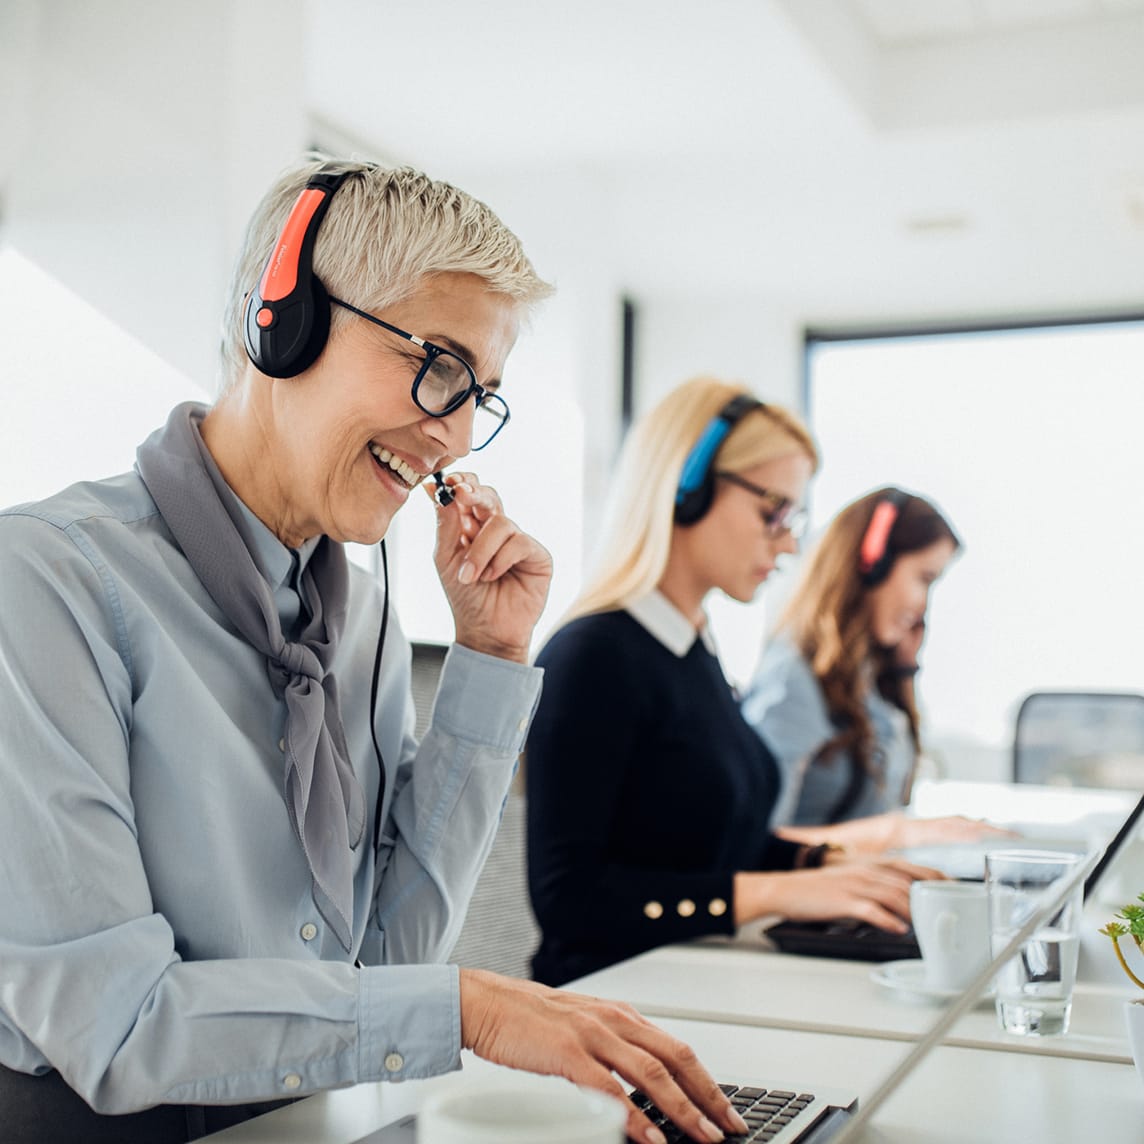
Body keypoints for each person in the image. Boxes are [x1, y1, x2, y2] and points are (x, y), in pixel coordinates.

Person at [0, 158, 748, 1144]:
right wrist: (469, 1008)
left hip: (318, 1118)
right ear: (284, 315)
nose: (459, 432)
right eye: (439, 363)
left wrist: (489, 652)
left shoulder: (361, 611)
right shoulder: (47, 584)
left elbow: (388, 955)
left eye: (481, 393)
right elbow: (114, 1022)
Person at [525, 377, 950, 989]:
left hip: (693, 983)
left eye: (794, 515)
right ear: (688, 487)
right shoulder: (593, 656)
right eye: (773, 510)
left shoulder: (691, 651)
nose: (790, 540)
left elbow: (717, 845)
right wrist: (782, 891)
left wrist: (835, 868)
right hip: (610, 1004)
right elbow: (569, 899)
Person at [741, 488, 963, 832]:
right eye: (924, 579)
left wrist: (905, 673)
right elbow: (755, 843)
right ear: (874, 561)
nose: (923, 605)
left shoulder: (870, 681)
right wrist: (891, 835)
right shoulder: (793, 681)